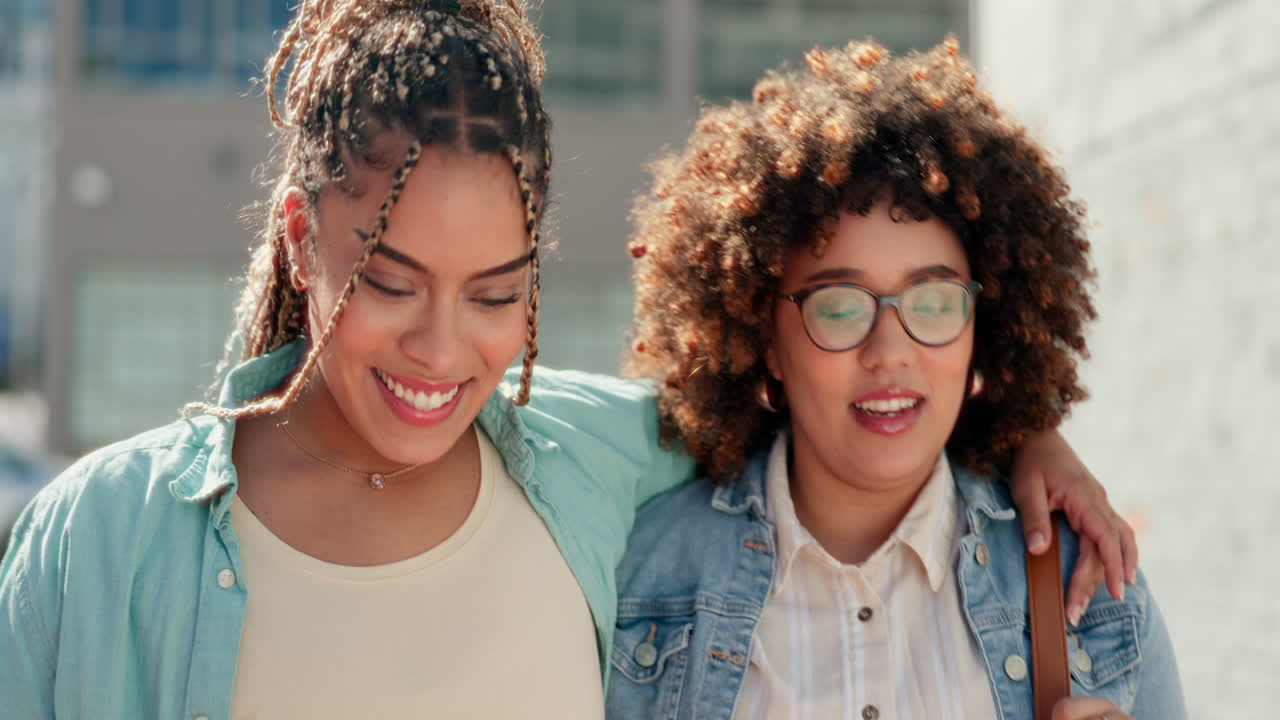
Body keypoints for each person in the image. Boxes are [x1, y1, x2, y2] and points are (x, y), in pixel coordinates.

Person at [0, 3, 1131, 717]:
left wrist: (1024, 430)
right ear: (301, 239)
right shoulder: (98, 541)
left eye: (497, 294)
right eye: (390, 282)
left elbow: (845, 399)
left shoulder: (600, 461)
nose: (442, 348)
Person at [609, 39, 1184, 720]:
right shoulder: (639, 587)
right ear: (766, 340)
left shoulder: (1088, 587)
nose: (890, 351)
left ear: (982, 328)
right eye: (839, 307)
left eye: (933, 303)